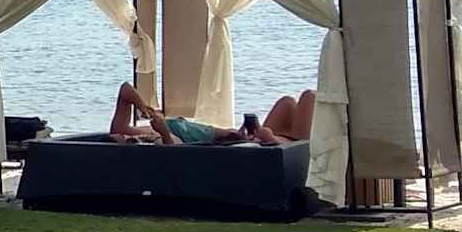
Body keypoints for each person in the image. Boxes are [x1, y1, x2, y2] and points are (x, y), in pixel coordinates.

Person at [107, 83, 312, 146]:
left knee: (287, 101)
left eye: (119, 136)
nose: (120, 135)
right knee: (309, 96)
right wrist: (164, 132)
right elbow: (174, 154)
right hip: (282, 143)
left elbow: (125, 89)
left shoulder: (128, 131)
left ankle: (251, 133)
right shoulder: (156, 142)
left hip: (242, 137)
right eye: (121, 138)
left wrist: (143, 108)